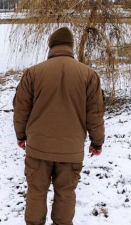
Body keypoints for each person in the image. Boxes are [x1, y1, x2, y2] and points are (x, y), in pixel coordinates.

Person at [13, 27, 105, 225]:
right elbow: (95, 114)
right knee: (65, 193)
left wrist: (21, 136)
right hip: (71, 150)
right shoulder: (88, 75)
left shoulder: (33, 73)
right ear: (71, 46)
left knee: (36, 192)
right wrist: (97, 142)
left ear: (51, 46)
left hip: (38, 148)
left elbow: (21, 109)